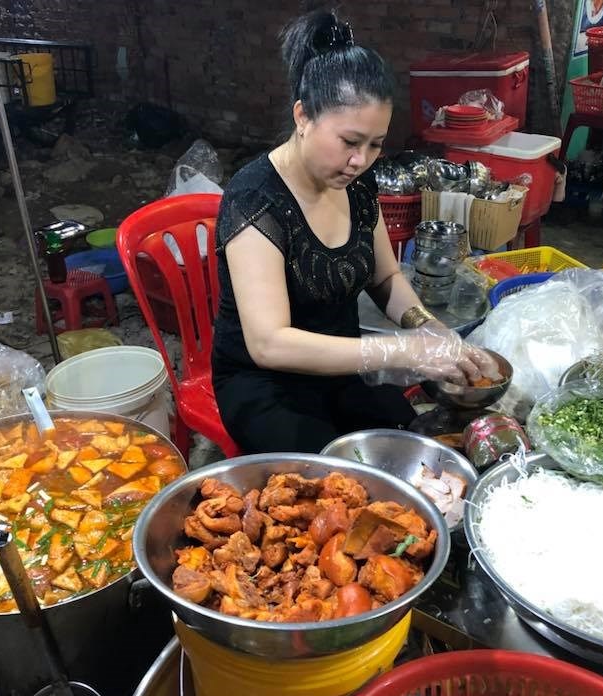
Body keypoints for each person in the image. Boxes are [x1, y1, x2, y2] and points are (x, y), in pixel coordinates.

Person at [211, 9, 497, 453]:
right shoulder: (255, 201)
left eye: (376, 144)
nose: (362, 160)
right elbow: (269, 344)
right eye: (350, 141)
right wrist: (398, 352)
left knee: (421, 444)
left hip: (339, 373)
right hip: (266, 388)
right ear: (303, 116)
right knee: (340, 487)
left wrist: (429, 328)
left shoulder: (358, 184)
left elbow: (385, 278)